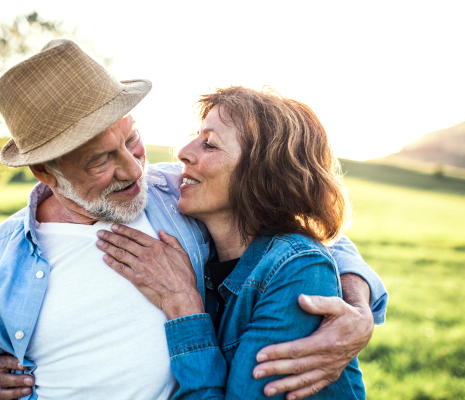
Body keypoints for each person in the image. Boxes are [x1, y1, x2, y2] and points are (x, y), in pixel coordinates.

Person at [0, 39, 386, 400]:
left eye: (132, 139)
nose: (135, 169)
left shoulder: (179, 190)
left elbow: (299, 230)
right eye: (101, 161)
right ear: (46, 172)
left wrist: (356, 306)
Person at [92, 86, 368, 399]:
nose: (183, 151)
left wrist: (183, 307)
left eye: (209, 144)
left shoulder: (297, 269)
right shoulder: (202, 252)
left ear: (263, 173)